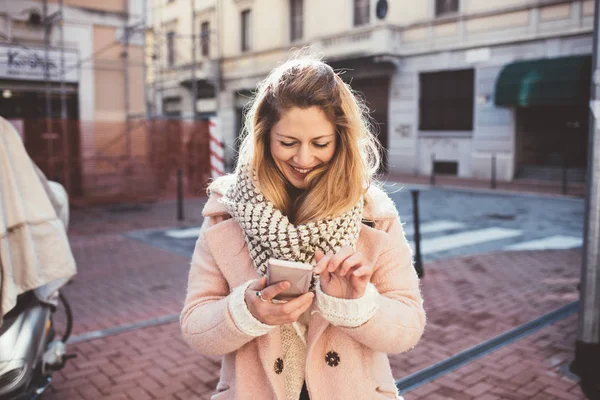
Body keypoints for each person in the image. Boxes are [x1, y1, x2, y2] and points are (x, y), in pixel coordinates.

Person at [180, 56, 426, 400]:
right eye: (288, 143)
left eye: (320, 144)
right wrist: (248, 311)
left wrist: (357, 304)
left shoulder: (373, 213)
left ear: (341, 140)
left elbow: (409, 327)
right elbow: (195, 327)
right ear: (265, 137)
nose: (304, 159)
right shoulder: (228, 212)